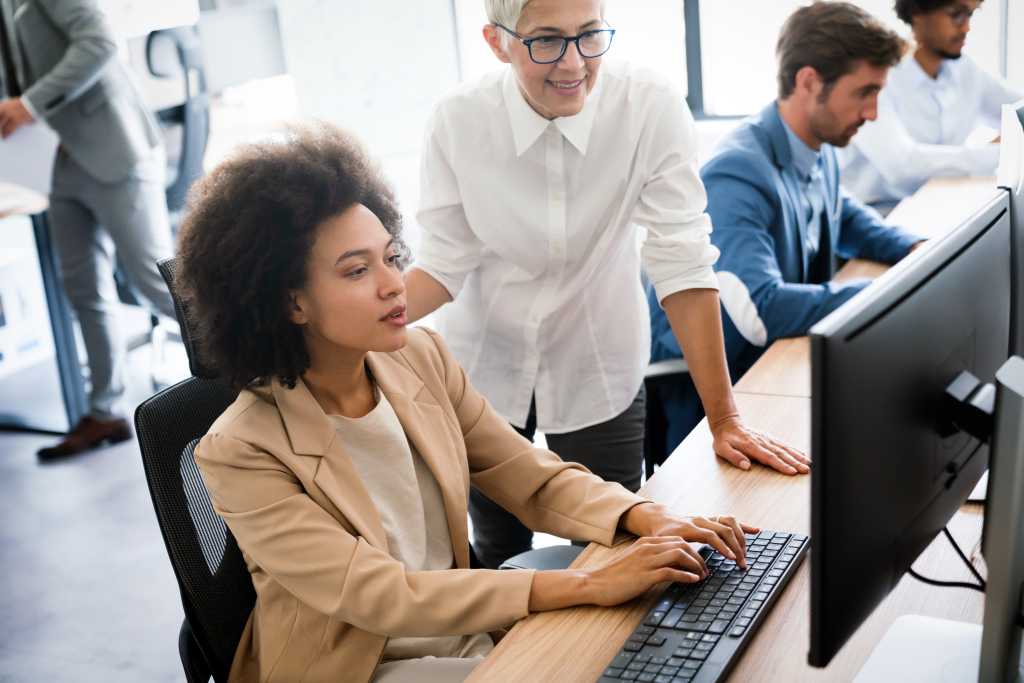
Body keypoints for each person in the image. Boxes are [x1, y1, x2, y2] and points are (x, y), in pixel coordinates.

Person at [177, 123, 756, 683]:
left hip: (462, 632)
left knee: (652, 647)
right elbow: (379, 594)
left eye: (391, 256)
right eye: (357, 270)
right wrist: (589, 584)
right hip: (360, 665)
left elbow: (530, 478)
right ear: (291, 303)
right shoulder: (240, 449)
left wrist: (644, 514)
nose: (393, 284)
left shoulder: (420, 357)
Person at [404, 0, 808, 569]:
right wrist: (348, 319)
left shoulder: (648, 106)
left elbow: (684, 261)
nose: (574, 64)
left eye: (590, 35)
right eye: (546, 41)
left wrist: (725, 419)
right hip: (484, 361)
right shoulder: (458, 120)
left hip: (598, 357)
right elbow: (443, 262)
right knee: (498, 549)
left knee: (616, 542)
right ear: (497, 43)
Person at [647, 2, 924, 460]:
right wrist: (887, 291)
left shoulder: (818, 143)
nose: (873, 112)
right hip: (720, 401)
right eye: (864, 92)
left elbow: (843, 212)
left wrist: (914, 249)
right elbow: (764, 306)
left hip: (778, 367)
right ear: (809, 81)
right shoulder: (737, 172)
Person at [0, 0, 177, 457]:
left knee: (154, 281)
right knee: (82, 288)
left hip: (114, 148)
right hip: (55, 162)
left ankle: (252, 367)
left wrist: (30, 105)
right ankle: (105, 411)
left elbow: (99, 43)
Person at [840, 0, 1022, 209]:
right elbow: (903, 166)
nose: (966, 28)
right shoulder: (878, 79)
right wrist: (1000, 153)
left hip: (942, 204)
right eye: (956, 15)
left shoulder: (966, 71)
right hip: (880, 213)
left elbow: (1019, 109)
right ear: (917, 12)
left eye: (971, 15)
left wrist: (1012, 137)